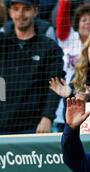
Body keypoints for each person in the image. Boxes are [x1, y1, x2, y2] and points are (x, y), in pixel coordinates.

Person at [0, 0, 64, 134]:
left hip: (34, 126)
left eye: (26, 9)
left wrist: (47, 117)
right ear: (10, 12)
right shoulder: (3, 44)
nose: (20, 14)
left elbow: (56, 85)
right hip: (3, 124)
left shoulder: (50, 47)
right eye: (16, 9)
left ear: (36, 11)